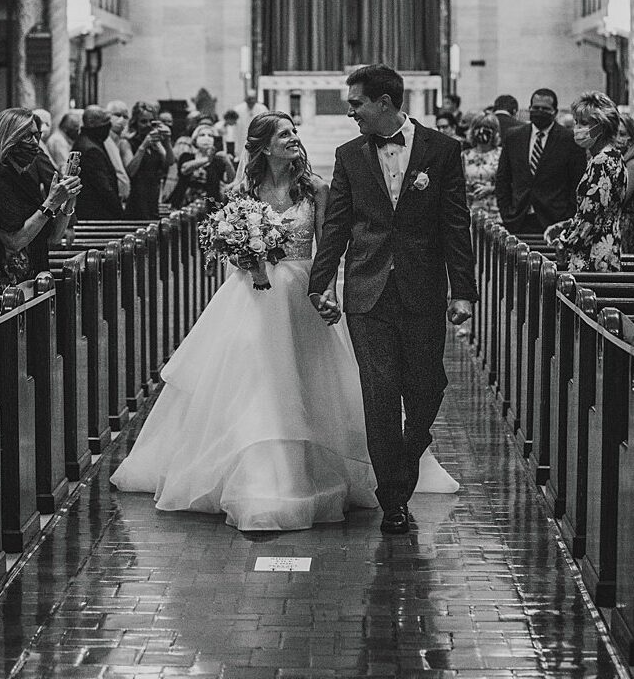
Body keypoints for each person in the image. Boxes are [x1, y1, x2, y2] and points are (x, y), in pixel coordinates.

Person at [111, 111, 458, 531]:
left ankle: (325, 471)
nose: (295, 139)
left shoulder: (315, 188)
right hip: (251, 297)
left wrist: (326, 289)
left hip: (301, 291)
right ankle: (257, 476)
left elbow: (331, 243)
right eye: (285, 134)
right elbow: (225, 242)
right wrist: (249, 261)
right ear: (263, 145)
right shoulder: (242, 189)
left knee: (308, 382)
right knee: (256, 383)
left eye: (295, 132)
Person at [308, 64, 478, 535]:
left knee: (428, 386)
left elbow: (454, 224)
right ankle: (394, 500)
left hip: (423, 290)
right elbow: (338, 225)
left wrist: (463, 290)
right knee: (380, 395)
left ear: (385, 102)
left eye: (357, 103)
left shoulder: (442, 151)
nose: (350, 111)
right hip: (368, 292)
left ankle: (406, 457)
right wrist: (320, 284)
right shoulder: (349, 156)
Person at [0, 108, 81, 294]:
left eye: (37, 136)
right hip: (1, 287)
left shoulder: (23, 177)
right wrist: (50, 203)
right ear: (8, 138)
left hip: (29, 283)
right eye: (28, 137)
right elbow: (14, 242)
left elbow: (53, 238)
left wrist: (68, 200)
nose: (36, 143)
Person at [545, 92, 627, 272]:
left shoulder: (601, 162)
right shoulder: (615, 158)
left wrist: (564, 240)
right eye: (576, 122)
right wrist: (565, 225)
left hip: (592, 254)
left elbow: (590, 218)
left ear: (601, 127)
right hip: (608, 246)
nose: (577, 128)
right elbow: (599, 209)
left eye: (584, 123)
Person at [495, 88, 586, 236]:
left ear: (555, 112)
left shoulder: (569, 140)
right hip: (518, 218)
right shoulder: (514, 136)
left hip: (554, 220)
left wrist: (567, 218)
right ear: (529, 108)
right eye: (536, 108)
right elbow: (503, 179)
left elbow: (577, 183)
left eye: (545, 109)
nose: (539, 111)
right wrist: (506, 212)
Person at [121, 101, 174, 219]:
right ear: (136, 123)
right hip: (136, 199)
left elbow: (169, 162)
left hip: (153, 198)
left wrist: (167, 141)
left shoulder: (156, 144)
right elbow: (130, 171)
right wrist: (143, 146)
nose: (148, 125)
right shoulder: (127, 142)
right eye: (143, 121)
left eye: (151, 121)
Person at [73, 106, 124, 220]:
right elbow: (103, 187)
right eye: (104, 122)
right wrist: (119, 211)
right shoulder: (91, 149)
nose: (107, 127)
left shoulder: (86, 141)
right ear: (91, 123)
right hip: (97, 212)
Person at [169, 123, 235, 209]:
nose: (206, 138)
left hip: (210, 204)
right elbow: (184, 169)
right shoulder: (187, 156)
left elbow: (230, 180)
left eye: (210, 136)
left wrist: (227, 161)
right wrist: (207, 159)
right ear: (195, 139)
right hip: (184, 202)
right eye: (202, 135)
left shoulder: (218, 161)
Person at [462, 113, 502, 220]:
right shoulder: (464, 155)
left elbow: (509, 183)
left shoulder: (501, 155)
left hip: (495, 210)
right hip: (470, 209)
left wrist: (491, 189)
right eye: (478, 127)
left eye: (488, 128)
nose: (482, 131)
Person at [104, 100, 131, 205]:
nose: (121, 120)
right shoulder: (105, 139)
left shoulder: (123, 140)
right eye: (117, 115)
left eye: (125, 117)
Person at [617, 112, 634, 253]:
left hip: (626, 224)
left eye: (622, 134)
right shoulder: (620, 160)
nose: (617, 139)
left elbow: (623, 198)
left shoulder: (631, 163)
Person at [233, 88, 269, 155]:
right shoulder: (237, 109)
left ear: (255, 99)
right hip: (241, 138)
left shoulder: (262, 109)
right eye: (249, 98)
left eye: (252, 98)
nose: (251, 101)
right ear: (246, 98)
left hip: (257, 138)